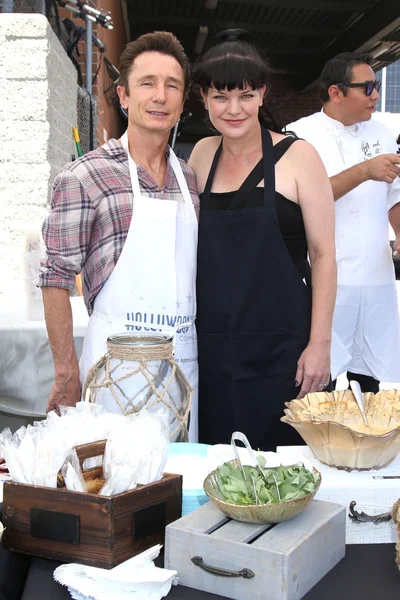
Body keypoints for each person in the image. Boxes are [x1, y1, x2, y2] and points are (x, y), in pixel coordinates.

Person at [39, 31, 199, 440]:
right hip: (112, 376)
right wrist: (66, 372)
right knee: (113, 487)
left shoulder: (191, 179)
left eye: (172, 85)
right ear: (124, 97)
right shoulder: (85, 175)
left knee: (181, 489)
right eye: (147, 83)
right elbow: (55, 277)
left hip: (181, 370)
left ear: (182, 101)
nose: (160, 96)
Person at [189, 29, 337, 450]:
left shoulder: (298, 156)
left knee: (285, 473)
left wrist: (320, 346)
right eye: (220, 97)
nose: (233, 109)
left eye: (246, 96)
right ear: (203, 98)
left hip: (285, 353)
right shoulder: (200, 155)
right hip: (214, 351)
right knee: (218, 469)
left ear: (262, 94)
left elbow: (324, 255)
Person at [287, 53, 400, 393]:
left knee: (370, 385)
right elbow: (301, 197)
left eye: (376, 86)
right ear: (335, 93)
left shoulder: (382, 132)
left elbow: (393, 195)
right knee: (317, 382)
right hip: (326, 279)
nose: (375, 96)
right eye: (367, 88)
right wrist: (364, 171)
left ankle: (363, 447)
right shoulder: (300, 135)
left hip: (376, 278)